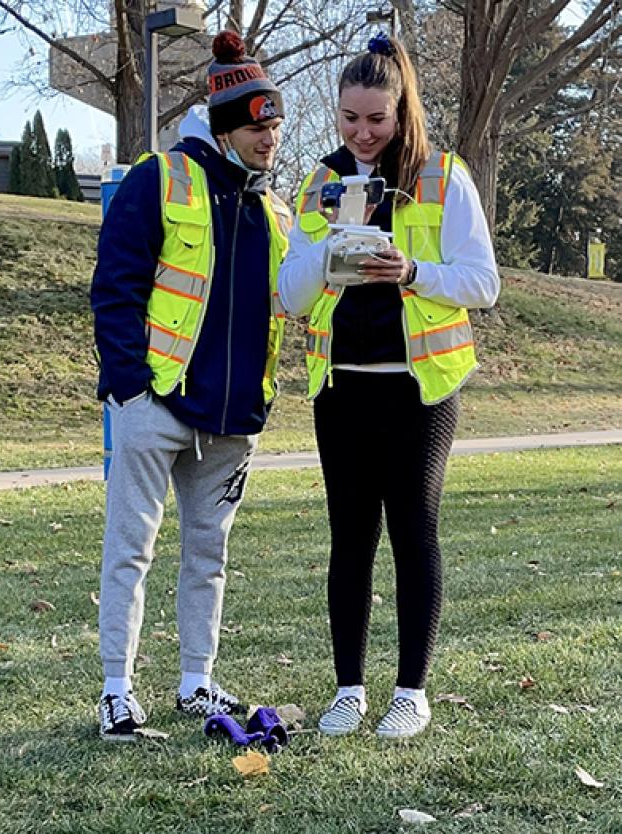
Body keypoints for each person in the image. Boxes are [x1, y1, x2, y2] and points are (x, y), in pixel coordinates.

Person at [278, 32, 499, 740]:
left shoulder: (443, 175)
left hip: (419, 389)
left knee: (413, 530)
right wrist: (328, 250)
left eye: (376, 119)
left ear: (403, 112)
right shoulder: (320, 181)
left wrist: (411, 273)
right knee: (350, 537)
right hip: (340, 387)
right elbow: (289, 295)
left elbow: (483, 283)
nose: (362, 133)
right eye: (349, 118)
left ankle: (411, 692)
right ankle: (348, 690)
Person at [91, 31, 291, 739]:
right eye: (258, 126)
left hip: (233, 420)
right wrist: (129, 390)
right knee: (130, 549)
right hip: (155, 407)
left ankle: (196, 681)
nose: (270, 138)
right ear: (225, 124)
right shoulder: (160, 178)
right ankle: (117, 689)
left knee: (209, 556)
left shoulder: (274, 210)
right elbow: (114, 288)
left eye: (275, 125)